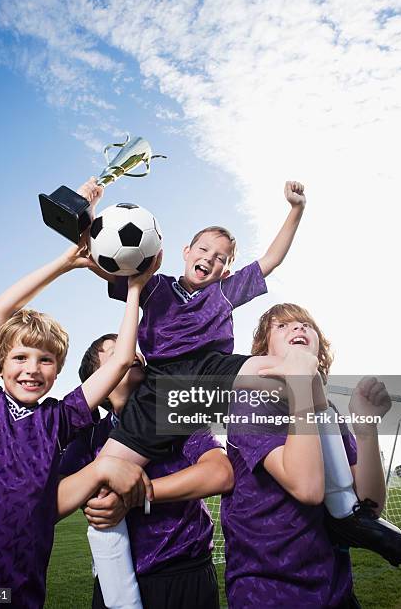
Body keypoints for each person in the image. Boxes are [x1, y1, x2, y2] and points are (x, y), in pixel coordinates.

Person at [83, 180, 307, 603]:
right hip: (161, 386)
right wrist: (91, 215)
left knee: (286, 370)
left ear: (227, 269)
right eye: (204, 249)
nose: (211, 259)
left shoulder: (225, 291)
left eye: (222, 258)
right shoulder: (155, 285)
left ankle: (341, 499)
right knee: (101, 481)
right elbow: (105, 259)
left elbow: (272, 259)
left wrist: (295, 209)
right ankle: (120, 597)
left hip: (210, 371)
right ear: (185, 250)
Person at [0, 180, 156, 609]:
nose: (31, 369)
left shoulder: (58, 420)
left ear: (58, 370)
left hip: (17, 589)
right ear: (1, 364)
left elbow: (118, 362)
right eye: (21, 357)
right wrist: (66, 262)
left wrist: (135, 289)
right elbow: (1, 309)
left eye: (45, 361)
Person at [221, 303, 401, 608]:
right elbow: (307, 487)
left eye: (306, 324)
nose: (298, 328)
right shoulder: (251, 401)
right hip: (268, 588)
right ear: (263, 354)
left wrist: (365, 427)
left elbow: (369, 505)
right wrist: (300, 385)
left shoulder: (328, 413)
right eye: (282, 326)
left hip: (334, 586)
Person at [58, 332, 235, 609]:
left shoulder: (176, 411)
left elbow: (220, 473)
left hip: (184, 575)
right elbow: (53, 498)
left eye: (135, 348)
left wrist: (136, 495)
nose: (135, 354)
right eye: (117, 351)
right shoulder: (89, 437)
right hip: (113, 578)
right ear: (98, 378)